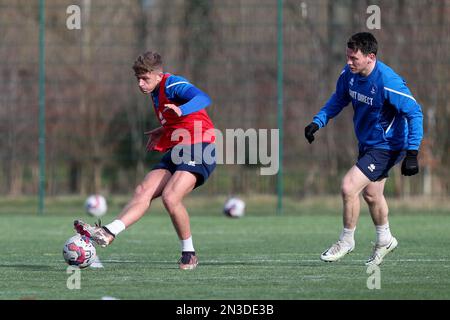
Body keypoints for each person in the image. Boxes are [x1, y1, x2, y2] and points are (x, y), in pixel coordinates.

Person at [74, 51, 216, 270]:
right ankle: (109, 232)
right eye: (138, 79)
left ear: (158, 76)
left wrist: (181, 108)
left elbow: (203, 99)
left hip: (201, 146)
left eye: (145, 79)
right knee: (143, 191)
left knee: (170, 197)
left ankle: (189, 254)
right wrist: (164, 129)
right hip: (179, 148)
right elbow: (181, 121)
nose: (140, 83)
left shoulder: (173, 84)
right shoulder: (155, 92)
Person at [304, 32, 423, 266]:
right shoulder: (350, 75)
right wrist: (317, 121)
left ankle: (347, 240)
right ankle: (385, 239)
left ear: (370, 57)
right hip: (369, 143)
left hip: (388, 146)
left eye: (354, 58)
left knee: (349, 187)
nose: (349, 62)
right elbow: (338, 99)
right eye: (347, 57)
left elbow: (414, 112)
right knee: (371, 194)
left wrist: (412, 152)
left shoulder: (387, 81)